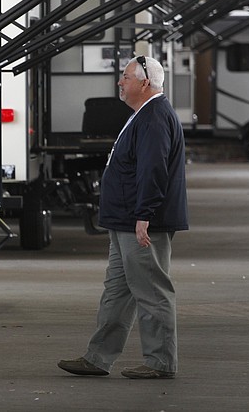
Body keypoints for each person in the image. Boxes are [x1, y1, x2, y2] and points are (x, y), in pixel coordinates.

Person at [58, 55, 189, 379]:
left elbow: (153, 170)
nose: (120, 82)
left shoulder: (155, 117)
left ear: (144, 83)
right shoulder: (143, 114)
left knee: (152, 291)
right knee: (117, 291)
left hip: (141, 223)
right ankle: (98, 357)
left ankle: (160, 362)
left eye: (126, 77)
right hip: (124, 220)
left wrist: (144, 215)